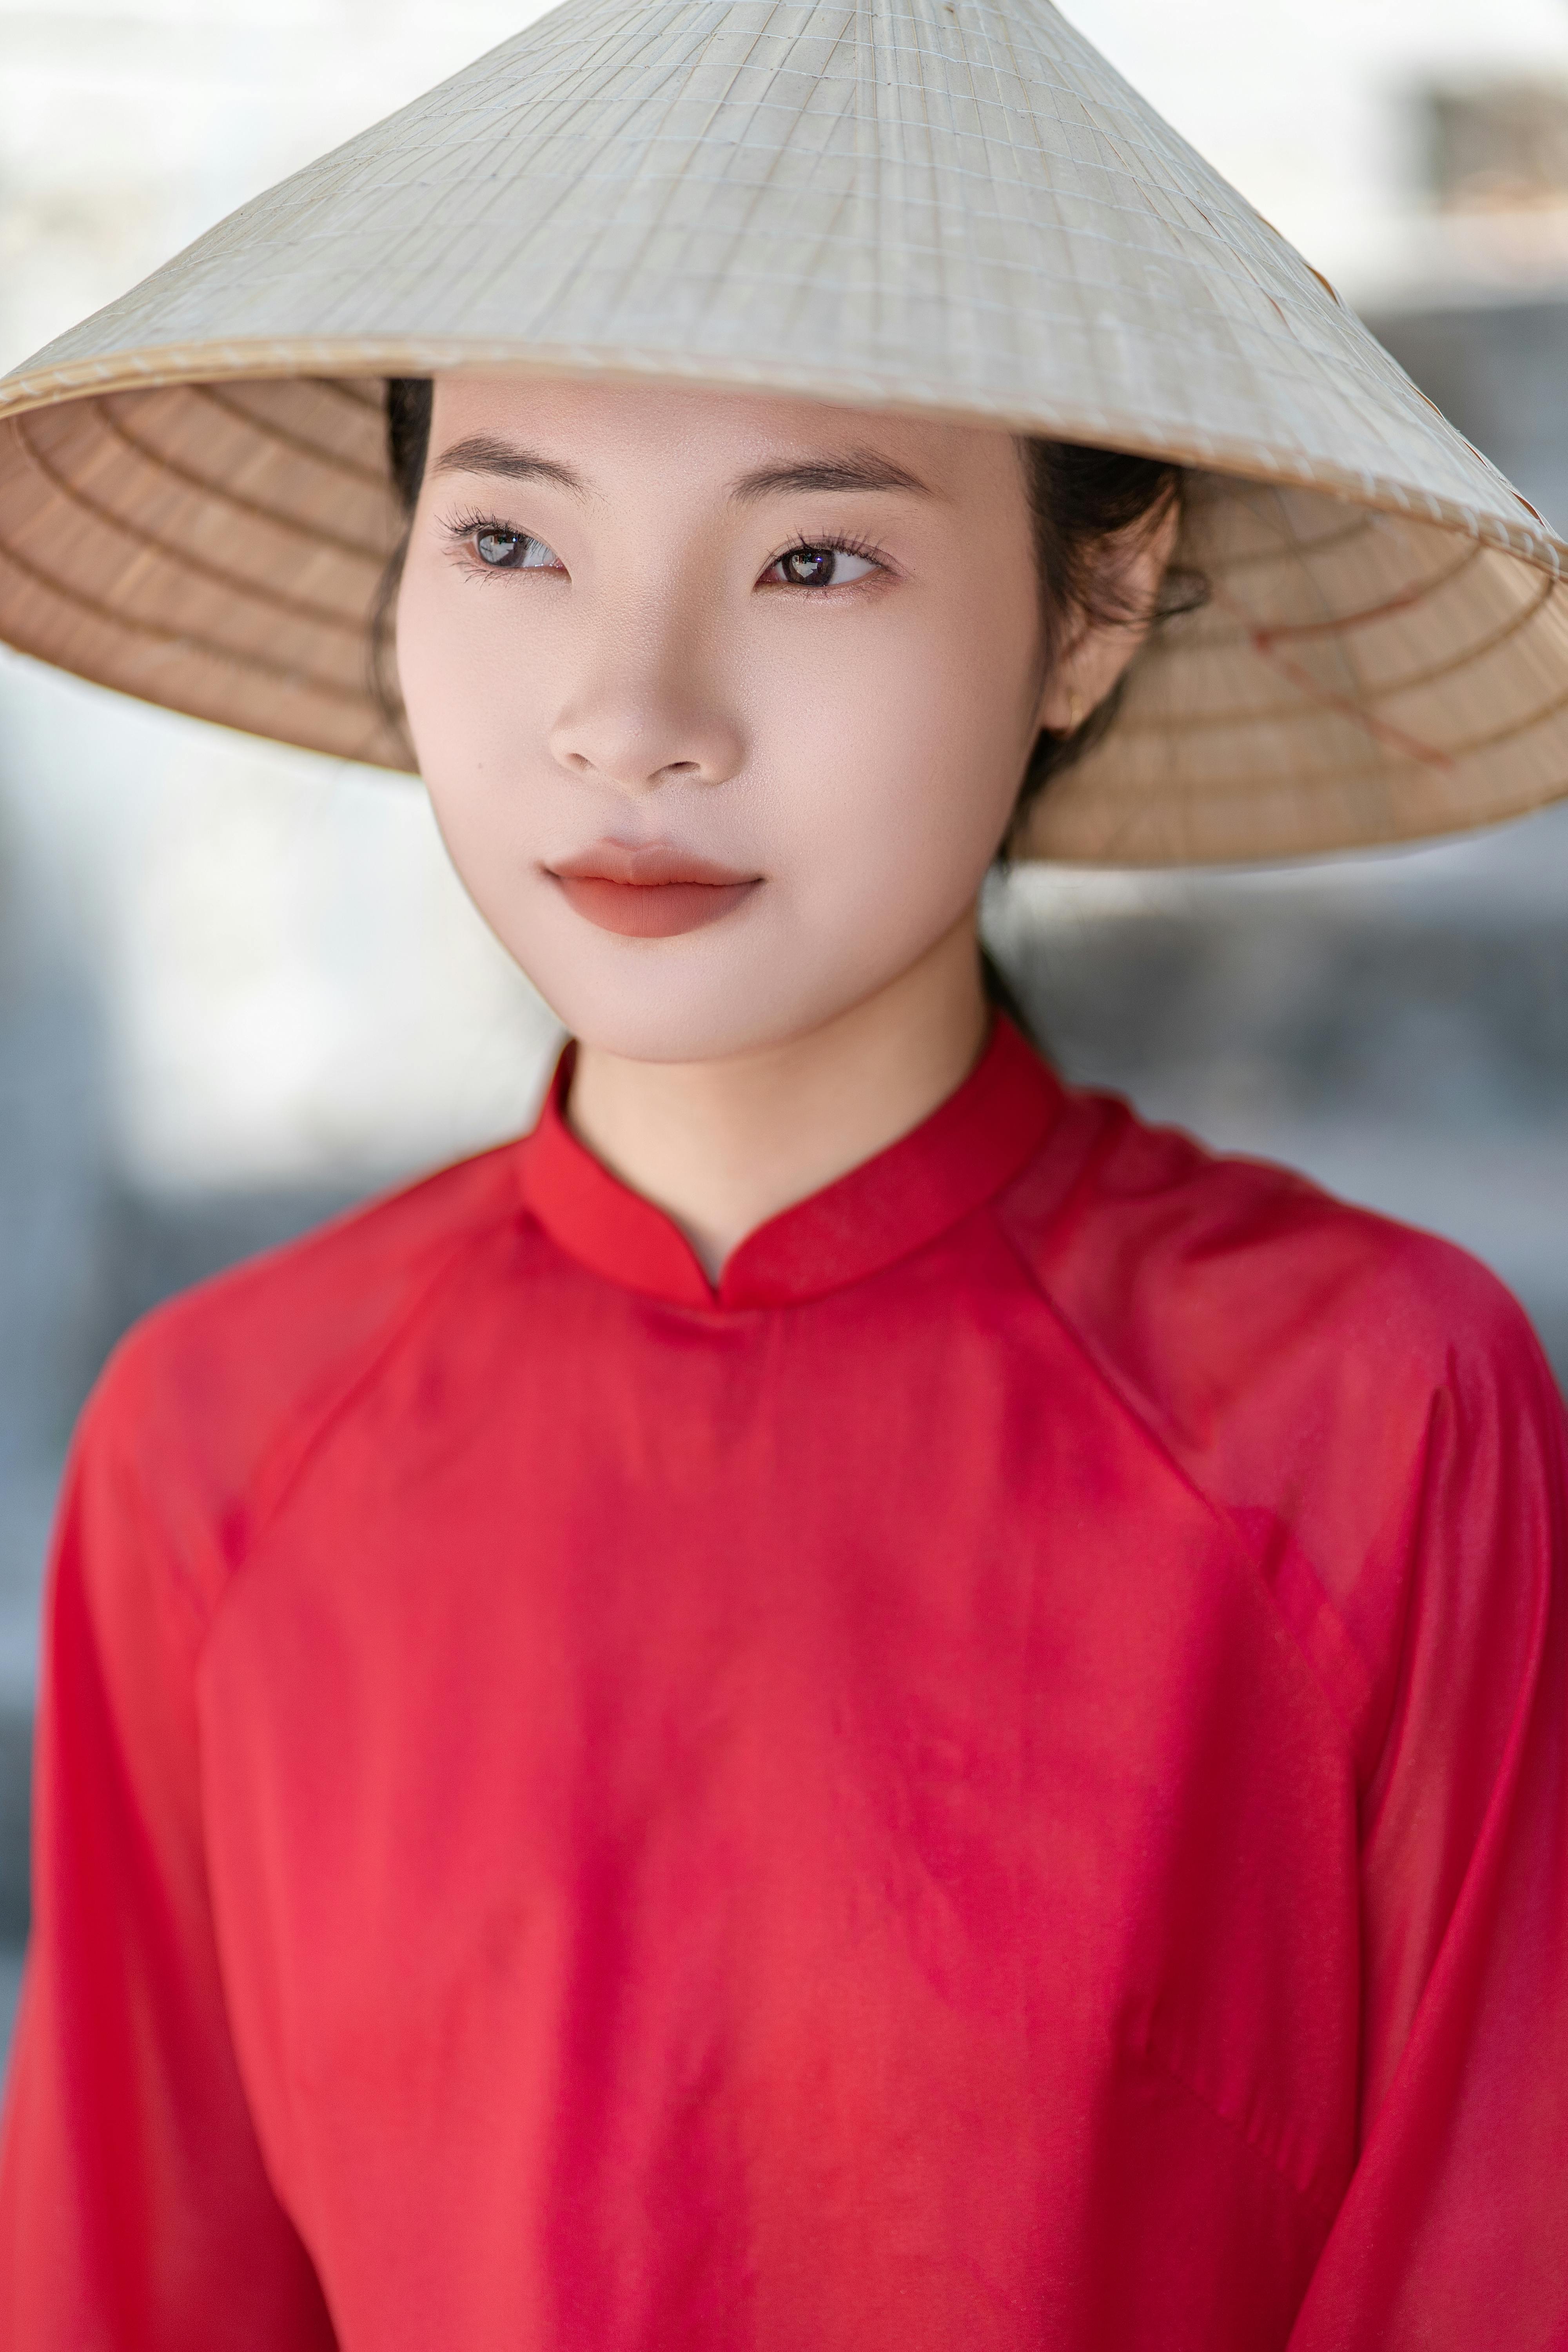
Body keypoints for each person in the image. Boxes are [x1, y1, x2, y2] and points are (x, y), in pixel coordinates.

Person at [0, 4, 1565, 2345]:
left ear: (1093, 609)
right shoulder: (216, 1452)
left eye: (815, 560)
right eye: (512, 536)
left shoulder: (1372, 1417)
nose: (632, 714)